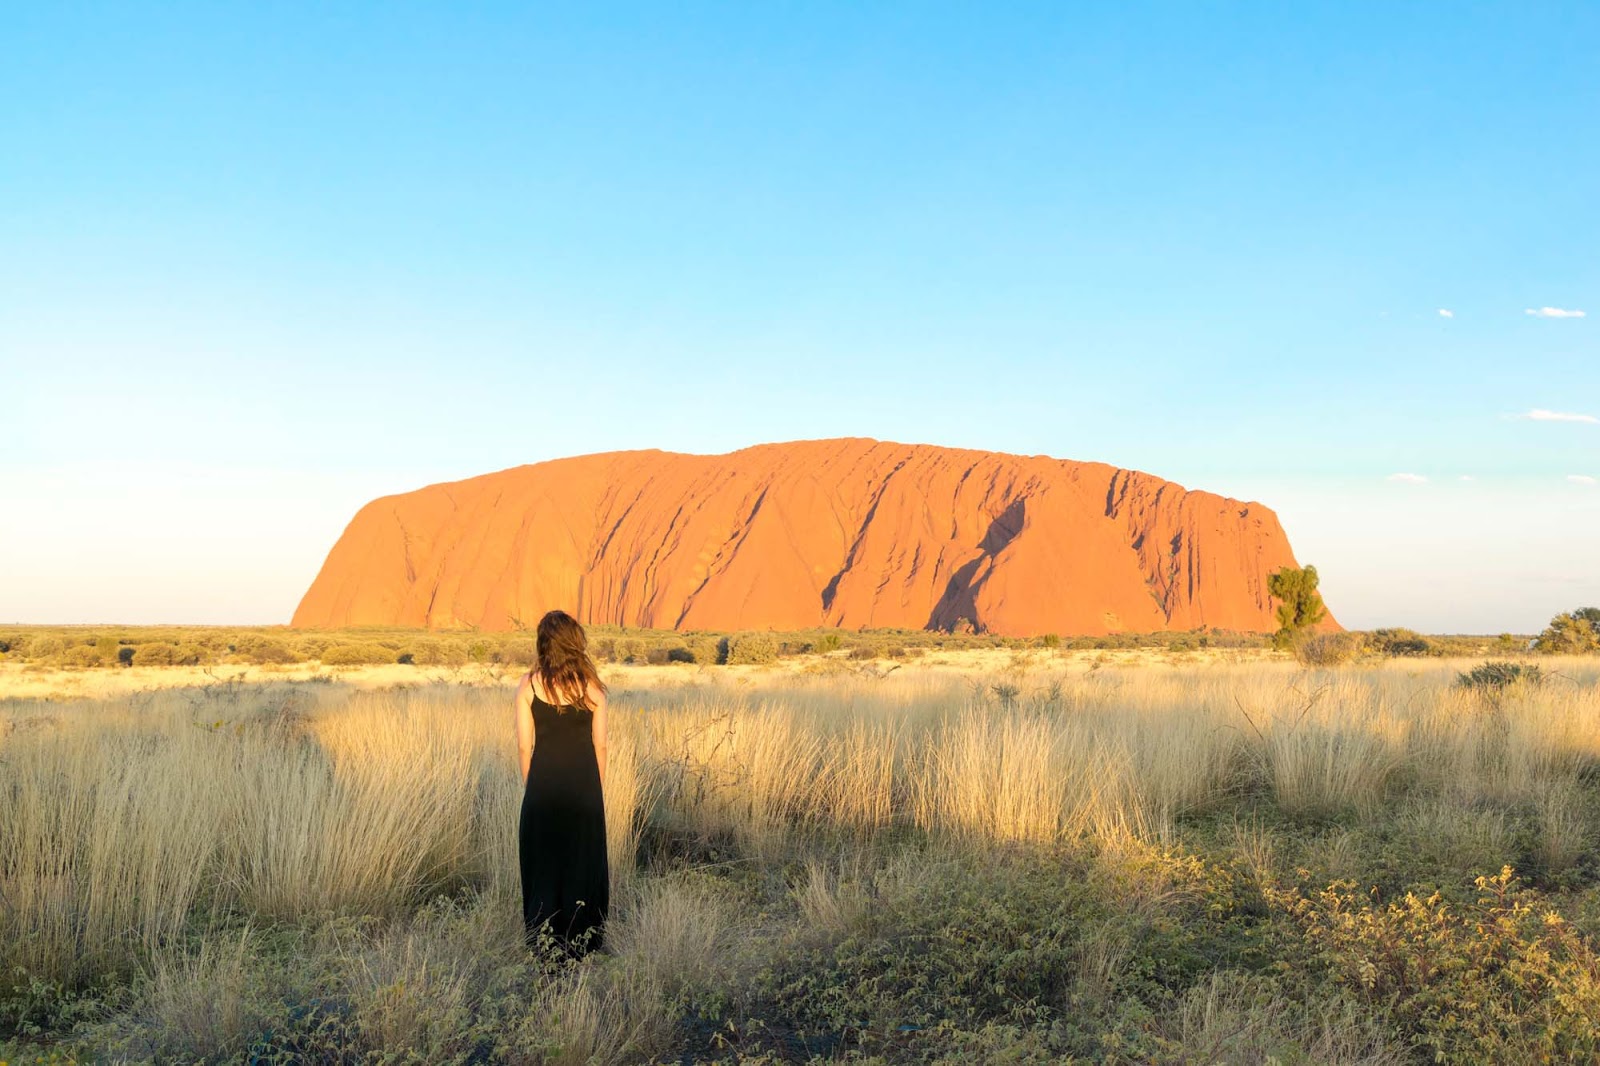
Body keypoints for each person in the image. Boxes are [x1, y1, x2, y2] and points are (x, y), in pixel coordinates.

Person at [515, 609, 609, 956]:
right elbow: (600, 745)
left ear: (543, 644)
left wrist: (533, 788)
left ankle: (544, 945)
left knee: (543, 866)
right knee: (582, 865)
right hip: (584, 792)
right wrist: (593, 791)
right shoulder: (593, 689)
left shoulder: (529, 685)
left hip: (542, 791)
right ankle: (583, 945)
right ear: (575, 642)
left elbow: (525, 746)